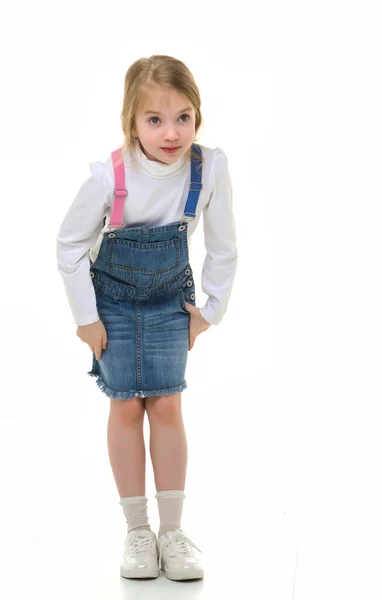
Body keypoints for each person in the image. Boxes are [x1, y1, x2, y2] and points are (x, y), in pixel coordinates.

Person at [56, 54, 238, 581]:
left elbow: (224, 248)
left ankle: (173, 532)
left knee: (166, 408)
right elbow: (69, 244)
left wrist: (210, 312)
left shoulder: (211, 168)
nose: (171, 132)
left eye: (183, 116)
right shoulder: (109, 174)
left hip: (166, 305)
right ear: (130, 122)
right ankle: (137, 531)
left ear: (198, 117)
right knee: (125, 410)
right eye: (154, 120)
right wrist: (86, 318)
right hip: (110, 304)